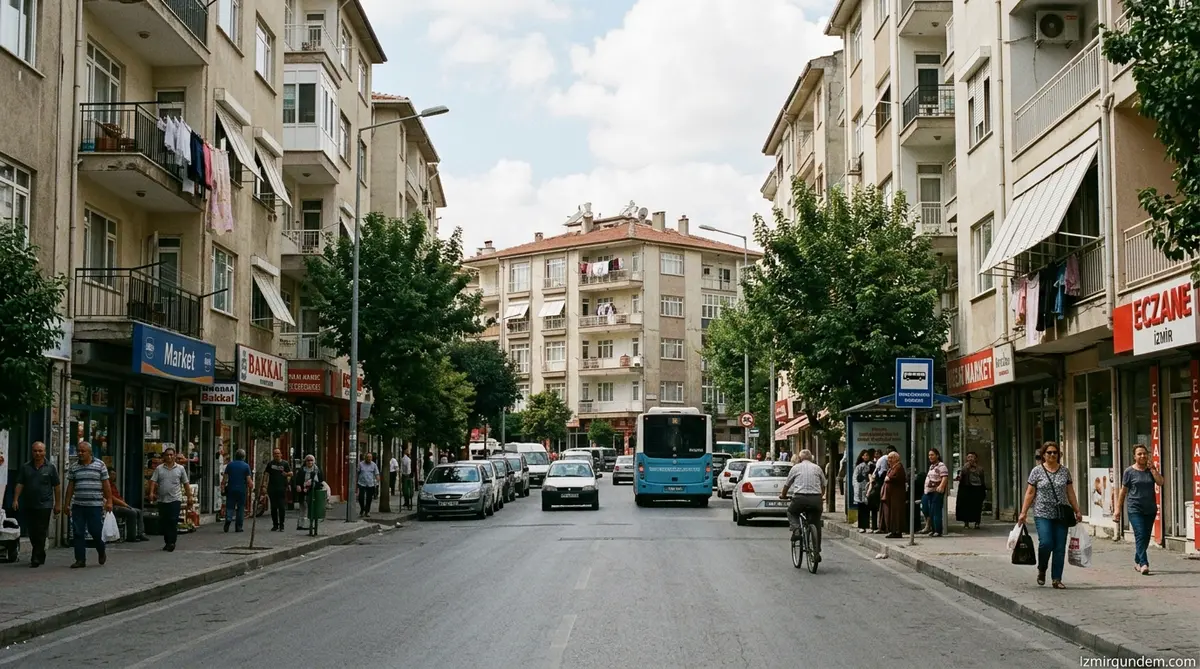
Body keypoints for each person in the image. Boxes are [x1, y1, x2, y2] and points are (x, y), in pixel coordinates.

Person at [1018, 441, 1083, 589]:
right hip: (1042, 513)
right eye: (1049, 452)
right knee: (1046, 543)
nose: (1052, 455)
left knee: (1059, 547)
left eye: (1055, 452)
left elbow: (1070, 492)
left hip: (1061, 514)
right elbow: (1030, 493)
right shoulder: (1036, 471)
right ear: (1043, 455)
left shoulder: (1064, 471)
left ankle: (1056, 579)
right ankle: (1042, 569)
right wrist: (1023, 512)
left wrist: (1077, 510)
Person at [1114, 444, 1163, 575]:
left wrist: (1153, 470)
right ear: (1134, 457)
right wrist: (1117, 509)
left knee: (1145, 537)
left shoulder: (1150, 470)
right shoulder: (1129, 472)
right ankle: (1143, 563)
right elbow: (1123, 491)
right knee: (1140, 534)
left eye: (1144, 453)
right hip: (1135, 508)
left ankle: (1137, 560)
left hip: (1150, 509)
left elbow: (1160, 482)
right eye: (1139, 454)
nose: (1142, 456)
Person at [64, 441, 113, 568]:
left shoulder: (100, 465)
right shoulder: (74, 467)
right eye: (78, 451)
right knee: (78, 532)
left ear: (90, 452)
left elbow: (106, 485)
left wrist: (109, 501)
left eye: (83, 451)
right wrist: (67, 504)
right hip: (78, 505)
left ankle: (101, 550)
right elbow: (70, 487)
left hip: (95, 505)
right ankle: (80, 559)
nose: (80, 453)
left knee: (95, 531)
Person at [12, 441, 60, 567]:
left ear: (45, 452)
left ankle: (36, 557)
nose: (38, 453)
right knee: (32, 531)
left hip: (45, 504)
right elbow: (20, 483)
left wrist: (57, 504)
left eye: (40, 451)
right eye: (35, 451)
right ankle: (40, 552)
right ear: (32, 452)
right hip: (29, 503)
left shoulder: (50, 467)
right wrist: (15, 499)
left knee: (41, 530)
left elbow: (57, 486)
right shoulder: (25, 467)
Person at [779, 449, 826, 562]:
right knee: (816, 523)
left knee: (791, 512)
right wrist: (820, 495)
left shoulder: (795, 468)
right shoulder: (817, 468)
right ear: (811, 458)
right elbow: (823, 485)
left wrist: (783, 495)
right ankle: (817, 551)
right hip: (816, 499)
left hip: (799, 498)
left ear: (800, 458)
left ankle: (796, 528)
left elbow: (787, 485)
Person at [148, 447, 195, 552]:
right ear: (164, 457)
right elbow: (153, 481)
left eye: (171, 455)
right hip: (162, 499)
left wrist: (189, 497)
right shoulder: (159, 469)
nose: (169, 457)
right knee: (164, 521)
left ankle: (172, 542)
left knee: (173, 520)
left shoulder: (180, 469)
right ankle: (167, 541)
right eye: (167, 455)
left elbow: (186, 483)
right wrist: (151, 493)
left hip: (175, 499)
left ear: (174, 456)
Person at [107, 467, 148, 543]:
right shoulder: (106, 485)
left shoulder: (113, 485)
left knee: (139, 511)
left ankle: (140, 533)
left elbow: (118, 497)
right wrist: (126, 505)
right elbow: (113, 498)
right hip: (113, 506)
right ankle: (131, 536)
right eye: (112, 474)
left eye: (114, 474)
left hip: (120, 505)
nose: (113, 476)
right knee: (132, 512)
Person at [221, 449, 253, 533]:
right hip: (241, 489)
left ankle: (228, 518)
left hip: (231, 488)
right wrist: (251, 486)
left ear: (235, 456)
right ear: (243, 457)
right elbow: (248, 480)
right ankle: (238, 527)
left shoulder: (230, 465)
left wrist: (223, 487)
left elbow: (225, 478)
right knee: (240, 507)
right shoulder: (246, 466)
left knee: (230, 505)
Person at [261, 448, 292, 532]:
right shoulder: (270, 464)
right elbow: (266, 474)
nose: (277, 455)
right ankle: (275, 525)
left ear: (281, 454)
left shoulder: (285, 463)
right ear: (273, 455)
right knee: (273, 507)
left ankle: (282, 525)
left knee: (281, 507)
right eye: (275, 453)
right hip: (272, 488)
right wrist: (264, 485)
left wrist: (286, 474)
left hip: (282, 488)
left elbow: (291, 473)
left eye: (278, 453)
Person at [922, 448, 950, 537]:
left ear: (937, 455)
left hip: (936, 491)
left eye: (932, 455)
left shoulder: (941, 466)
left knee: (936, 511)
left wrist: (941, 486)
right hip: (928, 491)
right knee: (927, 509)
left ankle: (937, 530)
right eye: (929, 455)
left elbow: (945, 477)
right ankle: (932, 528)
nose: (930, 457)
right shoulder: (932, 466)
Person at [955, 451, 987, 528]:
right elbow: (961, 478)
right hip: (967, 489)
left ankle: (977, 522)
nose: (970, 459)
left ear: (975, 458)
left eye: (972, 457)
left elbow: (982, 479)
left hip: (977, 489)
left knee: (977, 506)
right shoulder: (964, 468)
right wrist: (965, 469)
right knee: (966, 506)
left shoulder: (980, 469)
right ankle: (966, 523)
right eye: (968, 457)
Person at [880, 451, 908, 538]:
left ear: (896, 459)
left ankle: (896, 531)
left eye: (891, 458)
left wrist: (889, 478)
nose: (889, 460)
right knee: (891, 513)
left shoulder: (898, 467)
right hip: (891, 495)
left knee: (895, 513)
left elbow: (894, 477)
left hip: (896, 495)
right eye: (888, 458)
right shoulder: (892, 467)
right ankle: (892, 530)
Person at [294, 454, 324, 531]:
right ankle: (301, 525)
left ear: (314, 461)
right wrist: (298, 485)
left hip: (312, 492)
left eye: (311, 460)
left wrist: (311, 484)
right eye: (308, 460)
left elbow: (320, 482)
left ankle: (309, 525)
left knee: (310, 508)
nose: (309, 462)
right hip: (302, 492)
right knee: (302, 507)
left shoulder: (317, 470)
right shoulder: (302, 470)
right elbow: (297, 479)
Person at [357, 452, 381, 517]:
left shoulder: (374, 465)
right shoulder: (361, 464)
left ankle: (367, 511)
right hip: (361, 483)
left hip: (370, 484)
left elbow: (377, 474)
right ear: (365, 458)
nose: (369, 458)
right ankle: (362, 509)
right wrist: (356, 482)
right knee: (360, 498)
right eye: (368, 457)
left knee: (369, 498)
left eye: (370, 457)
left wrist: (377, 482)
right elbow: (357, 472)